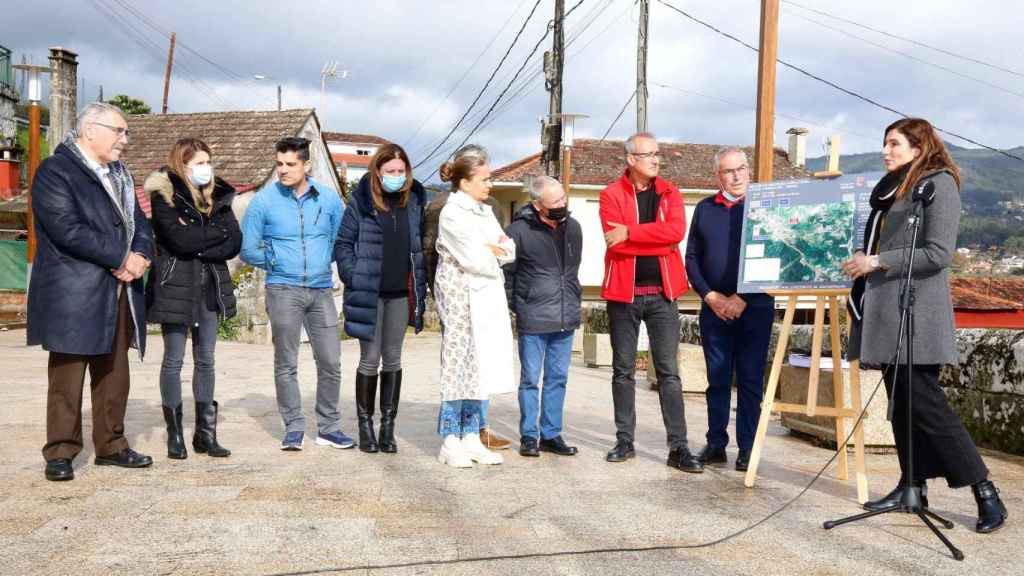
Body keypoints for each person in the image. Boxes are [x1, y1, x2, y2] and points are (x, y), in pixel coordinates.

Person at [843, 117, 1007, 533]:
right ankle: (910, 486)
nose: (886, 150)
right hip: (888, 313)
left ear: (919, 148)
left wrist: (877, 261)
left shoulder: (940, 184)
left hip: (918, 315)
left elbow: (938, 253)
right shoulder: (892, 189)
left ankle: (986, 491)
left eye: (894, 144)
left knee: (929, 406)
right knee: (901, 406)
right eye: (884, 143)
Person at [29, 102, 155, 481]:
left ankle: (112, 445)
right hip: (74, 290)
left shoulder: (119, 172)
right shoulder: (56, 171)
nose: (125, 140)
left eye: (126, 132)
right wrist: (121, 256)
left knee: (114, 371)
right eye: (119, 131)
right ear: (90, 131)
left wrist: (142, 254)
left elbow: (140, 222)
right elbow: (66, 229)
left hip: (117, 289)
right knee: (68, 375)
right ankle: (61, 451)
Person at [598, 132, 703, 473]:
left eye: (658, 153)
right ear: (631, 159)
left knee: (669, 372)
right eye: (649, 154)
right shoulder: (610, 195)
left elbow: (674, 234)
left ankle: (679, 447)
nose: (656, 159)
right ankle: (624, 440)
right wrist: (643, 238)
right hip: (623, 296)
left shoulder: (670, 192)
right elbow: (616, 246)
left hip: (663, 295)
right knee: (622, 371)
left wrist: (631, 232)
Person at [240, 137, 353, 452]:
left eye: (290, 164)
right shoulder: (263, 202)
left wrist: (318, 263)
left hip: (321, 291)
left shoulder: (330, 200)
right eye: (279, 163)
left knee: (331, 361)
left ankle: (329, 428)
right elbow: (249, 249)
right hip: (282, 290)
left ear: (306, 165)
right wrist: (277, 262)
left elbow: (339, 240)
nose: (283, 170)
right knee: (286, 362)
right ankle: (293, 428)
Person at [145, 137, 242, 460]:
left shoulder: (221, 194)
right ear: (181, 165)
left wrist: (197, 238)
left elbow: (234, 241)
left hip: (211, 285)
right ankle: (175, 434)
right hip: (176, 284)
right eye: (198, 163)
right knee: (174, 359)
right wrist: (212, 233)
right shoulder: (164, 192)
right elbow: (176, 238)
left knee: (207, 359)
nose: (205, 168)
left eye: (207, 161)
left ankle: (205, 434)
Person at [684, 148, 774, 472]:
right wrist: (710, 297)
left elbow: (775, 254)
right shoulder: (706, 209)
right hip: (714, 309)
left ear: (748, 171)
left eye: (741, 169)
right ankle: (716, 443)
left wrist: (742, 297)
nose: (736, 176)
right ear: (717, 176)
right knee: (717, 378)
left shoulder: (766, 207)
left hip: (756, 306)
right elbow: (692, 257)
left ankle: (748, 448)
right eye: (728, 171)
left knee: (750, 380)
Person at [335, 143, 428, 454]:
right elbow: (343, 244)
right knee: (369, 359)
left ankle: (388, 427)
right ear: (377, 171)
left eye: (401, 171)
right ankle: (366, 426)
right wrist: (354, 274)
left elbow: (419, 247)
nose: (397, 177)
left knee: (394, 359)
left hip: (401, 295)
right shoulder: (361, 203)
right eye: (391, 171)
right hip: (369, 294)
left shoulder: (414, 201)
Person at [433, 144, 516, 468]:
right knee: (456, 365)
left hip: (486, 297)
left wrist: (492, 249)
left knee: (479, 365)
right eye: (484, 178)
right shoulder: (452, 212)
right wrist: (491, 250)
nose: (490, 184)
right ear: (465, 182)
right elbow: (475, 258)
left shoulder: (484, 211)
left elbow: (507, 249)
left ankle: (472, 435)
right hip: (459, 297)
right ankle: (450, 439)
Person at [503, 175, 582, 457]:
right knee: (530, 379)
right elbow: (506, 275)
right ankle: (529, 436)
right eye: (556, 201)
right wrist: (520, 306)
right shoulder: (516, 231)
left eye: (563, 198)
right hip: (533, 318)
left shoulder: (574, 227)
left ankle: (551, 434)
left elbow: (572, 269)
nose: (563, 204)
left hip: (566, 315)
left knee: (558, 378)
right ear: (538, 205)